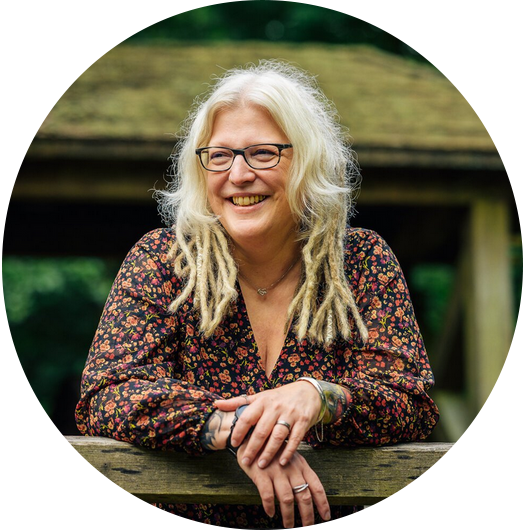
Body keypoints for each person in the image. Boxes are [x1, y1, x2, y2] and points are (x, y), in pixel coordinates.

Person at [75, 59, 439, 528]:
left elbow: (411, 401)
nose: (239, 174)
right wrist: (236, 429)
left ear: (307, 161)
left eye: (263, 153)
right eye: (219, 156)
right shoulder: (164, 259)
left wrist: (316, 397)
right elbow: (108, 393)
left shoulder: (360, 261)